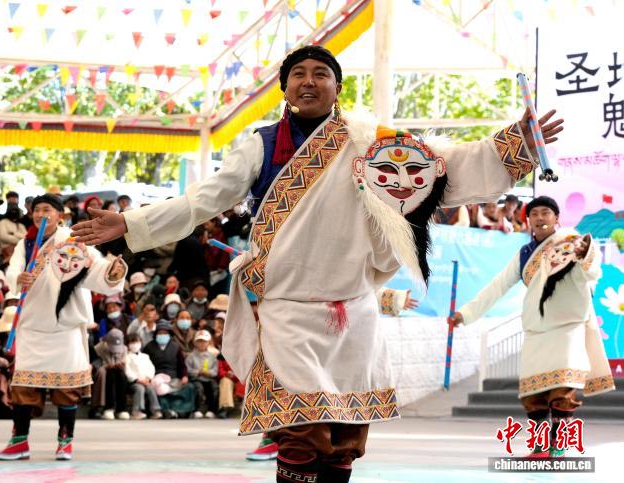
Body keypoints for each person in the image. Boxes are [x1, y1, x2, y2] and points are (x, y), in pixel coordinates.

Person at [71, 45, 563, 482]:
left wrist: (514, 144)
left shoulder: (373, 141)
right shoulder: (261, 145)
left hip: (355, 311)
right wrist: (131, 223)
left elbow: (441, 166)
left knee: (346, 438)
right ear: (285, 88)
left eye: (320, 73)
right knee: (300, 433)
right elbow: (203, 199)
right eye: (298, 74)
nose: (309, 81)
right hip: (287, 310)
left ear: (338, 87)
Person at [448, 196, 614, 458]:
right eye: (534, 213)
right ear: (528, 220)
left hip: (568, 327)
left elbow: (591, 273)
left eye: (546, 212)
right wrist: (466, 313)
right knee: (532, 394)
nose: (540, 217)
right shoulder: (524, 254)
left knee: (562, 390)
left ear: (557, 218)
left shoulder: (571, 242)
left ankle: (558, 446)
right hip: (536, 330)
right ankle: (539, 447)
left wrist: (585, 256)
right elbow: (498, 285)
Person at [0, 194, 127, 461]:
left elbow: (95, 269)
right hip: (32, 326)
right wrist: (18, 277)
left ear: (60, 215)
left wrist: (111, 272)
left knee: (66, 390)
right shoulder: (25, 242)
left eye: (47, 209)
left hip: (65, 328)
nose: (40, 214)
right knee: (23, 388)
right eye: (36, 210)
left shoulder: (74, 240)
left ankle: (65, 443)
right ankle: (19, 442)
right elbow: (13, 271)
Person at [142, 320, 193, 419]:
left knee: (189, 387)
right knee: (160, 389)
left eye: (165, 333)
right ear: (156, 334)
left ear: (169, 334)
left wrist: (184, 376)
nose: (162, 335)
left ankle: (182, 411)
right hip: (156, 378)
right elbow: (144, 364)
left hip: (174, 378)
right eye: (160, 333)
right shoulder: (149, 347)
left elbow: (182, 365)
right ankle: (165, 411)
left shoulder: (176, 347)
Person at [94, 328, 130, 420]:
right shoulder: (100, 347)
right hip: (105, 371)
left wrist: (121, 364)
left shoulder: (124, 348)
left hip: (118, 370)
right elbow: (96, 361)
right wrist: (107, 366)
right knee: (110, 377)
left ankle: (121, 409)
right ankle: (108, 408)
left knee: (122, 377)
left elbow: (124, 361)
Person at [125, 333, 161, 419]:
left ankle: (155, 410)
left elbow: (151, 368)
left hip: (146, 380)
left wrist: (148, 378)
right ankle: (136, 411)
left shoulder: (145, 356)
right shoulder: (126, 357)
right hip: (134, 382)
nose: (135, 345)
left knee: (151, 388)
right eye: (132, 342)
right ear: (128, 345)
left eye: (137, 342)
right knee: (139, 388)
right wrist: (137, 380)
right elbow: (127, 371)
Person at [186, 329, 219, 419]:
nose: (202, 344)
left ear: (208, 343)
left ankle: (211, 410)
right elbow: (188, 370)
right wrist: (197, 372)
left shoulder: (212, 357)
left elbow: (215, 371)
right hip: (196, 379)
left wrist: (209, 373)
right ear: (195, 343)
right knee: (198, 388)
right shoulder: (191, 356)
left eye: (204, 341)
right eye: (199, 341)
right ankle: (198, 410)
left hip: (209, 378)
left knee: (214, 387)